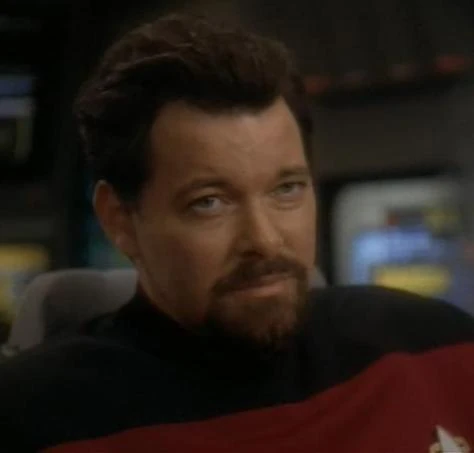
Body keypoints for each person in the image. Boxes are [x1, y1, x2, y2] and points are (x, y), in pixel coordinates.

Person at [0, 13, 473, 453]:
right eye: (209, 202)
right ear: (119, 219)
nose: (264, 240)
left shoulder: (437, 347)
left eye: (286, 190)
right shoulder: (34, 419)